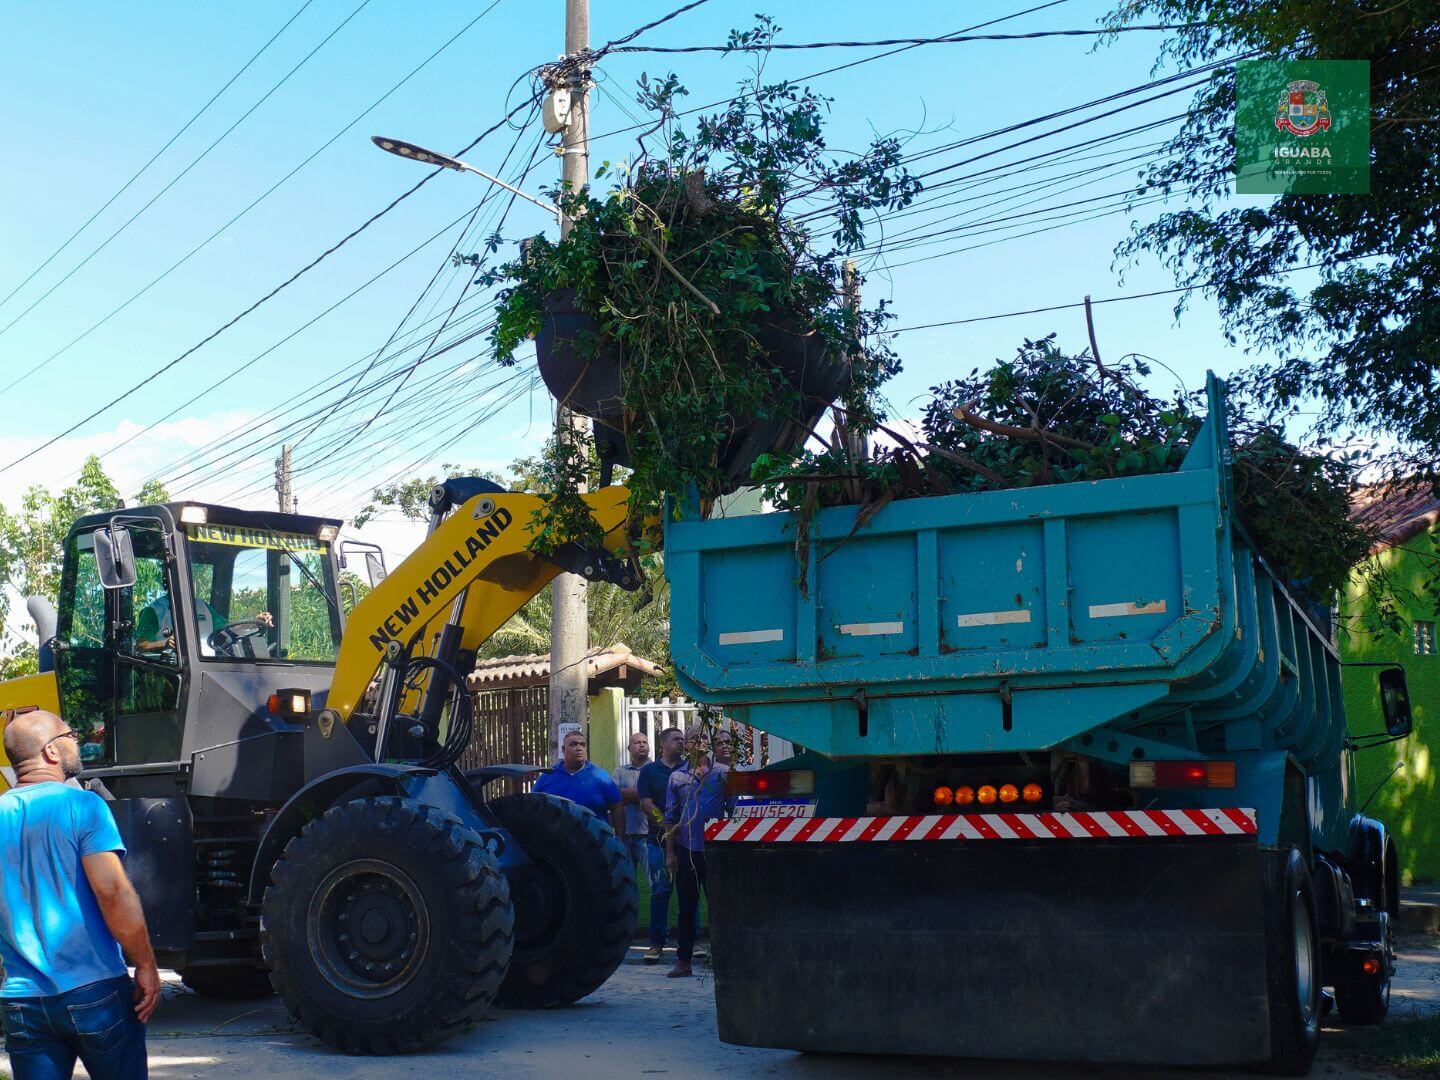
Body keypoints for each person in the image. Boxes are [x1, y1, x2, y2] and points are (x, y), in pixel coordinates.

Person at [0, 710, 161, 1079]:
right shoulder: (83, 806)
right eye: (70, 735)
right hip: (94, 992)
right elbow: (113, 892)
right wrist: (146, 964)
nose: (78, 741)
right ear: (51, 752)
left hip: (22, 1000)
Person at [663, 725, 730, 978]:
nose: (699, 741)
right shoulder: (677, 778)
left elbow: (733, 813)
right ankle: (683, 961)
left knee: (720, 906)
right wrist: (670, 854)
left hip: (716, 851)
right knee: (686, 908)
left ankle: (723, 959)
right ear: (686, 745)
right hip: (686, 850)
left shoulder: (723, 773)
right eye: (694, 738)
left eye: (703, 737)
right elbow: (670, 817)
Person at [635, 727, 699, 963]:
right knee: (660, 892)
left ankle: (695, 941)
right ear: (663, 744)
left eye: (683, 739)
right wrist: (668, 824)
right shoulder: (650, 771)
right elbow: (646, 804)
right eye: (676, 740)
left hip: (688, 843)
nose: (682, 743)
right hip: (657, 841)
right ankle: (656, 944)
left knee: (689, 893)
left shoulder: (690, 769)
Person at [533, 730, 625, 836]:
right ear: (563, 749)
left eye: (582, 745)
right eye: (573, 744)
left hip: (594, 842)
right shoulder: (547, 776)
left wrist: (620, 839)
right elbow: (535, 807)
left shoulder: (600, 775)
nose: (579, 748)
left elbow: (617, 807)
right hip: (557, 840)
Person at [134, 592, 272, 658]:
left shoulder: (203, 606)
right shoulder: (154, 611)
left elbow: (229, 628)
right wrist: (165, 643)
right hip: (166, 673)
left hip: (207, 667)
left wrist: (254, 622)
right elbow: (139, 646)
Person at [611, 732, 651, 886]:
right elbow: (611, 796)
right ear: (629, 747)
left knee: (653, 882)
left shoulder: (654, 769)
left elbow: (650, 794)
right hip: (624, 835)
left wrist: (623, 796)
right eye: (637, 742)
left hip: (647, 836)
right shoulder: (620, 770)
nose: (641, 745)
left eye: (644, 742)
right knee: (626, 882)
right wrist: (641, 796)